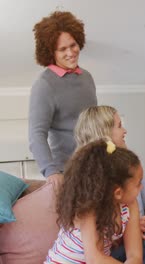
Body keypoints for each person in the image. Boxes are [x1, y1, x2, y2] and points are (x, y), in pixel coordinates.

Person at [74, 105, 145, 264]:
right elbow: (93, 252)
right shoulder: (85, 182)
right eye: (119, 125)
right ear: (103, 134)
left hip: (134, 246)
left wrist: (136, 224)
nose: (125, 131)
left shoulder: (134, 170)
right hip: (103, 255)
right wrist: (128, 229)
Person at [45, 140, 142, 263]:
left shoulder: (130, 205)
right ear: (118, 193)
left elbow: (135, 256)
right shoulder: (89, 211)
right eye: (138, 184)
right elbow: (94, 259)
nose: (141, 188)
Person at [29, 11, 97, 185]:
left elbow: (94, 123)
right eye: (62, 49)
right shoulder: (45, 85)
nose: (70, 53)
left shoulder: (87, 77)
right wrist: (50, 171)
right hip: (67, 172)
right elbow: (37, 134)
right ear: (51, 53)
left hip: (94, 167)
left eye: (73, 45)